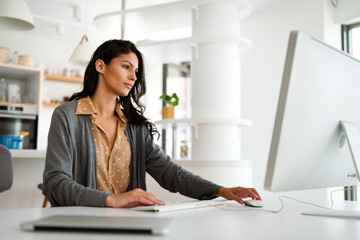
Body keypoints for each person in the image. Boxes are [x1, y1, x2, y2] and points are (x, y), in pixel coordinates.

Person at [43, 39, 261, 208]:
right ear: (101, 66)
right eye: (126, 67)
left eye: (136, 72)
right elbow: (55, 182)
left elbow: (170, 173)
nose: (133, 77)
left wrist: (220, 190)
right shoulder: (67, 116)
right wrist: (109, 200)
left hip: (129, 224)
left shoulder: (135, 126)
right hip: (80, 224)